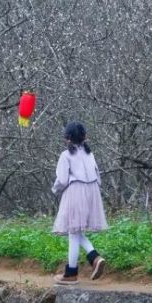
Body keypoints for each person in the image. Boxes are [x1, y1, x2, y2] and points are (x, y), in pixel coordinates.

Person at [52, 122, 108, 285]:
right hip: (92, 192)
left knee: (72, 232)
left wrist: (55, 190)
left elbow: (62, 180)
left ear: (67, 138)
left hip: (76, 191)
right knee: (76, 232)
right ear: (84, 136)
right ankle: (94, 257)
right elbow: (98, 177)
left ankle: (71, 273)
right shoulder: (90, 154)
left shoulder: (66, 155)